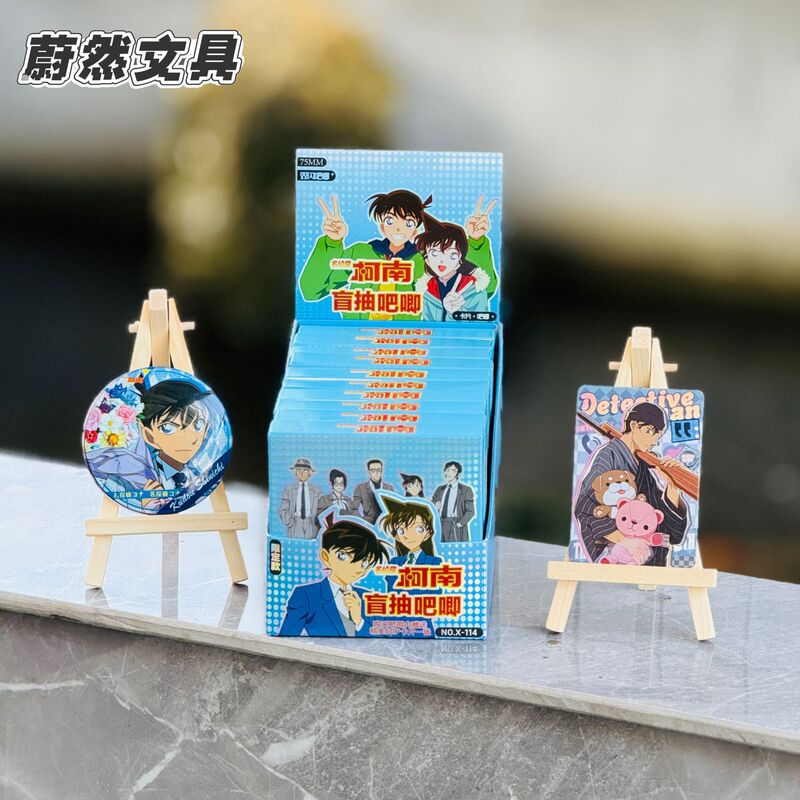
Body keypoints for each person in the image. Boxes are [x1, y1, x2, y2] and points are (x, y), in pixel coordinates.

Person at [298, 191, 498, 319]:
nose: (398, 228)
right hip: (358, 339)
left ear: (415, 229)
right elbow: (311, 290)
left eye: (408, 223)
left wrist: (476, 241)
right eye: (390, 221)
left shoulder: (426, 259)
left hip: (409, 344)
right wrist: (332, 242)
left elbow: (483, 287)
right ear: (381, 226)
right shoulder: (360, 253)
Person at [573, 402, 688, 566]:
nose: (654, 441)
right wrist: (625, 541)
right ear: (634, 425)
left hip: (647, 557)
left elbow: (670, 531)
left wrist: (672, 486)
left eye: (658, 435)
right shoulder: (609, 455)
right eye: (650, 431)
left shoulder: (642, 466)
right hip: (618, 555)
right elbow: (584, 505)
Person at [86, 378, 213, 512]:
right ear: (149, 436)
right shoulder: (133, 476)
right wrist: (147, 506)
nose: (189, 438)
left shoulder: (202, 474)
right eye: (168, 428)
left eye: (198, 425)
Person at [279, 515, 390, 637]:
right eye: (343, 556)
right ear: (325, 557)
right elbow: (286, 637)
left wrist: (359, 621)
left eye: (364, 563)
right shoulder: (306, 595)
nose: (356, 567)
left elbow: (382, 640)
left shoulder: (369, 598)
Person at [414, 216, 493, 321]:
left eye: (452, 254)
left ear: (460, 260)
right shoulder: (427, 292)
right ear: (427, 259)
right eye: (434, 253)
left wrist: (455, 313)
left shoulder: (476, 291)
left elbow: (481, 327)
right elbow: (427, 325)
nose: (442, 260)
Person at [278, 458, 323, 539]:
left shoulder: (316, 490)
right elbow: (283, 509)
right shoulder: (289, 489)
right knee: (295, 543)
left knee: (311, 544)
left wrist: (316, 523)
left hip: (311, 523)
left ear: (309, 472)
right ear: (295, 472)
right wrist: (290, 523)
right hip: (296, 522)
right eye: (299, 470)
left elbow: (321, 509)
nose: (302, 473)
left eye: (305, 470)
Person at [431, 461, 475, 541]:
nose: (449, 473)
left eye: (453, 470)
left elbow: (471, 511)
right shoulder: (440, 489)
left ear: (458, 474)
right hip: (439, 523)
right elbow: (431, 506)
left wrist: (460, 524)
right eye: (447, 470)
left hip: (455, 523)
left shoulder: (465, 490)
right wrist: (435, 507)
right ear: (444, 471)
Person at [351, 459, 396, 523]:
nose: (376, 473)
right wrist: (361, 522)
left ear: (382, 471)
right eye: (373, 470)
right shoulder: (360, 488)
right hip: (368, 523)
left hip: (385, 523)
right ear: (368, 472)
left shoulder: (389, 488)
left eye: (378, 470)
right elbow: (354, 508)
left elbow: (394, 508)